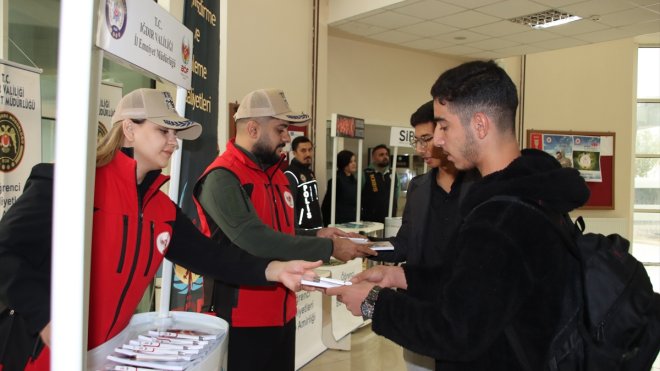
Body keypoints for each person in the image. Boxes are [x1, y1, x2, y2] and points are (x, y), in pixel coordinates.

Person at [0, 88, 321, 371]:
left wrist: (275, 269)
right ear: (129, 128)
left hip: (108, 357)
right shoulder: (68, 184)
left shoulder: (159, 208)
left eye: (176, 135)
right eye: (163, 131)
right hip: (42, 355)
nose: (173, 143)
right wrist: (45, 318)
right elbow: (5, 251)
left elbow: (214, 258)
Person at [326, 60, 590, 371]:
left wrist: (374, 304)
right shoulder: (531, 197)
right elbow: (480, 287)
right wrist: (404, 276)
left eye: (444, 125)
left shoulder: (500, 220)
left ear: (479, 125)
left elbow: (456, 331)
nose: (437, 139)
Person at [192, 88, 375, 371]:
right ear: (253, 128)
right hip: (241, 318)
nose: (287, 138)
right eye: (281, 129)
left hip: (283, 311)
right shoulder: (222, 178)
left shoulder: (277, 176)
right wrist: (329, 249)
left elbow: (280, 232)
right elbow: (255, 239)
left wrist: (317, 234)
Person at [370, 100, 478, 371]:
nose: (420, 149)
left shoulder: (482, 186)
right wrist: (365, 247)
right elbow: (404, 243)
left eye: (426, 139)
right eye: (417, 141)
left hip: (466, 313)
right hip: (420, 309)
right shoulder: (418, 188)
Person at [283, 136, 325, 235]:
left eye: (310, 150)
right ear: (294, 153)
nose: (308, 154)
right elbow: (289, 207)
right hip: (303, 232)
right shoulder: (290, 174)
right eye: (303, 150)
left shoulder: (310, 172)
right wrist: (295, 232)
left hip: (317, 229)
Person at [362, 144, 398, 223]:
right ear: (373, 158)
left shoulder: (393, 173)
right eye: (381, 155)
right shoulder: (365, 174)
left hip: (390, 220)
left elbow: (396, 195)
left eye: (386, 154)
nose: (385, 157)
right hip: (370, 221)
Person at [321, 150, 358, 226]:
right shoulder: (336, 181)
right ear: (344, 163)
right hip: (339, 222)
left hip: (353, 220)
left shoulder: (354, 180)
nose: (354, 164)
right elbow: (327, 205)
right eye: (350, 162)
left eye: (354, 161)